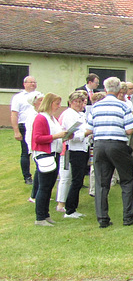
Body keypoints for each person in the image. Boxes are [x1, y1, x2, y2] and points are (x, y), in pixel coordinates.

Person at [86, 77, 133, 228]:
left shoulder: (96, 106)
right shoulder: (123, 106)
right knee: (127, 180)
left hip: (99, 145)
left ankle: (103, 218)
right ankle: (128, 216)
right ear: (118, 90)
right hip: (117, 145)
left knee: (101, 183)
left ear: (105, 89)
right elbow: (130, 129)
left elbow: (89, 129)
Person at [31, 93, 69, 226]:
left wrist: (64, 136)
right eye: (57, 104)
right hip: (45, 154)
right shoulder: (41, 118)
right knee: (44, 186)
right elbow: (37, 138)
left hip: (54, 153)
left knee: (49, 186)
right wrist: (56, 136)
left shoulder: (52, 118)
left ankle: (45, 214)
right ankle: (40, 217)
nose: (59, 106)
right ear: (49, 103)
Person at [57, 91, 91, 219]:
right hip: (75, 149)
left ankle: (72, 207)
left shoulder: (80, 114)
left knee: (79, 179)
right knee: (76, 180)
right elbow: (71, 135)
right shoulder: (69, 114)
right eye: (76, 101)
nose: (79, 104)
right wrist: (86, 133)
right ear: (71, 102)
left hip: (83, 148)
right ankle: (70, 209)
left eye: (81, 101)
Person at [11, 75, 40, 184]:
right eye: (30, 82)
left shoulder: (39, 95)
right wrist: (16, 131)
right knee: (26, 151)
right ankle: (27, 176)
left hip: (37, 124)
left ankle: (41, 171)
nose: (33, 84)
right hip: (24, 125)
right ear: (24, 84)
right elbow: (14, 114)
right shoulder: (18, 97)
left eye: (34, 82)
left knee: (39, 149)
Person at [24, 92, 45, 203]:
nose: (43, 102)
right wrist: (32, 147)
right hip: (35, 145)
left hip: (41, 145)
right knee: (39, 169)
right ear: (35, 102)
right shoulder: (32, 115)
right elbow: (31, 133)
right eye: (41, 100)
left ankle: (38, 193)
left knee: (41, 170)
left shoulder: (41, 113)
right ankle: (34, 195)